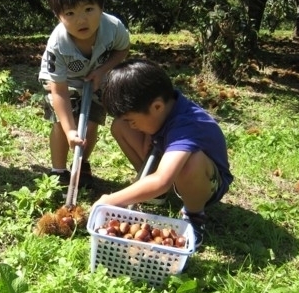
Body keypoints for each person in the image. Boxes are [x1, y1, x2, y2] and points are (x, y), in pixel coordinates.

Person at [93, 59, 233, 247]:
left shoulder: (186, 125)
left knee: (190, 162)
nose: (132, 124)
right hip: (170, 166)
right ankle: (152, 191)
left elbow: (162, 181)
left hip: (208, 182)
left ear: (157, 106)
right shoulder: (164, 108)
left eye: (133, 119)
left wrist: (110, 200)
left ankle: (194, 215)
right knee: (120, 126)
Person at [39, 0, 130, 188]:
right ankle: (58, 170)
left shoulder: (113, 27)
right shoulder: (58, 43)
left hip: (97, 76)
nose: (81, 20)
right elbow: (58, 90)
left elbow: (122, 50)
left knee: (90, 123)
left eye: (88, 9)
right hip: (62, 81)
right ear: (58, 15)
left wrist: (103, 70)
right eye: (70, 13)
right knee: (63, 123)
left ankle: (82, 164)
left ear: (101, 6)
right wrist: (70, 130)